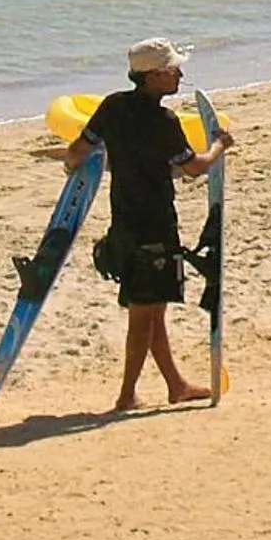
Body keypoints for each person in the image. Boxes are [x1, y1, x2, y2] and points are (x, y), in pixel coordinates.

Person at [64, 38, 231, 411]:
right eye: (172, 70)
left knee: (153, 308)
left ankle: (176, 385)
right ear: (153, 76)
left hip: (123, 222)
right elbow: (193, 168)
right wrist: (220, 146)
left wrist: (71, 168)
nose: (180, 74)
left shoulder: (112, 106)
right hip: (154, 226)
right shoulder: (162, 120)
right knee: (144, 315)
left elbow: (79, 150)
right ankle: (126, 395)